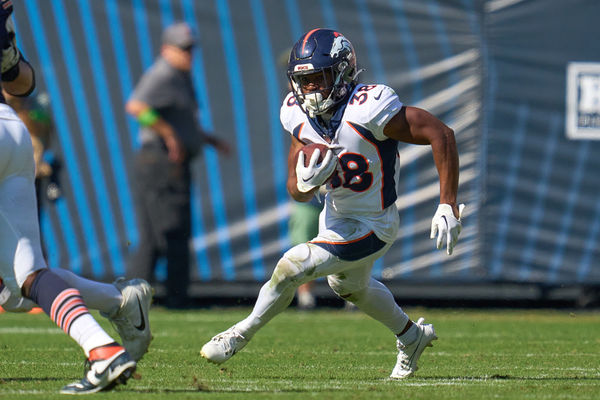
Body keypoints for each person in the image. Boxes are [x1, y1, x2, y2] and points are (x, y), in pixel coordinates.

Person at [201, 28, 465, 379]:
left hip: (374, 223)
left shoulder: (370, 107)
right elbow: (296, 191)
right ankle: (411, 336)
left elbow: (440, 133)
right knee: (349, 287)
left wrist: (448, 202)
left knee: (292, 264)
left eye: (317, 78)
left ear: (341, 72)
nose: (309, 89)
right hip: (335, 218)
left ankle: (241, 332)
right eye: (303, 80)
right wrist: (308, 183)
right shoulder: (296, 115)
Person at [0, 3, 152, 393]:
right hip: (10, 132)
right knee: (24, 278)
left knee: (16, 283)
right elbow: (21, 82)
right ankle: (108, 331)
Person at [125, 22, 230, 309]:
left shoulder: (182, 76)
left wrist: (207, 139)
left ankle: (149, 297)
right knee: (167, 232)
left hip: (167, 162)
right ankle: (162, 298)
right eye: (183, 49)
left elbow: (183, 122)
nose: (189, 53)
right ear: (166, 49)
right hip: (160, 161)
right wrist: (168, 134)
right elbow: (136, 107)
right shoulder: (164, 72)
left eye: (191, 48)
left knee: (164, 233)